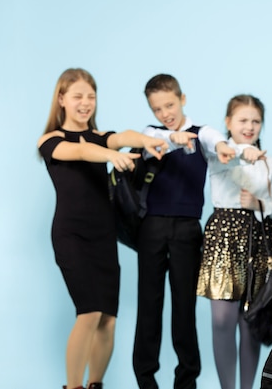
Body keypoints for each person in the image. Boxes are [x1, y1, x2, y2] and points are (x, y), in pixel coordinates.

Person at [37, 68, 168, 389]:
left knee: (108, 319)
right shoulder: (50, 140)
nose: (85, 103)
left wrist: (149, 140)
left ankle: (96, 384)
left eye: (91, 97)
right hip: (71, 236)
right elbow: (81, 151)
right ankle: (73, 386)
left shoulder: (101, 136)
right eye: (78, 96)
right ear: (61, 99)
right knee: (89, 312)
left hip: (103, 238)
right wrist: (111, 155)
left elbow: (123, 136)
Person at [132, 74, 236, 389]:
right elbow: (149, 145)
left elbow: (212, 138)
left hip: (188, 230)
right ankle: (145, 378)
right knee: (148, 305)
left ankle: (186, 379)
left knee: (184, 308)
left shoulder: (201, 132)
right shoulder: (151, 134)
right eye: (157, 109)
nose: (165, 113)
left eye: (169, 105)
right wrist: (169, 139)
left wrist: (220, 145)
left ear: (182, 99)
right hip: (151, 227)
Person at [197, 94, 272, 389]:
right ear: (228, 122)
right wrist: (238, 151)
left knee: (251, 320)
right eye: (242, 120)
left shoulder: (269, 162)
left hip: (259, 239)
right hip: (223, 236)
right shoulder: (218, 153)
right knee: (222, 319)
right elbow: (203, 136)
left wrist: (260, 203)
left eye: (256, 121)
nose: (249, 127)